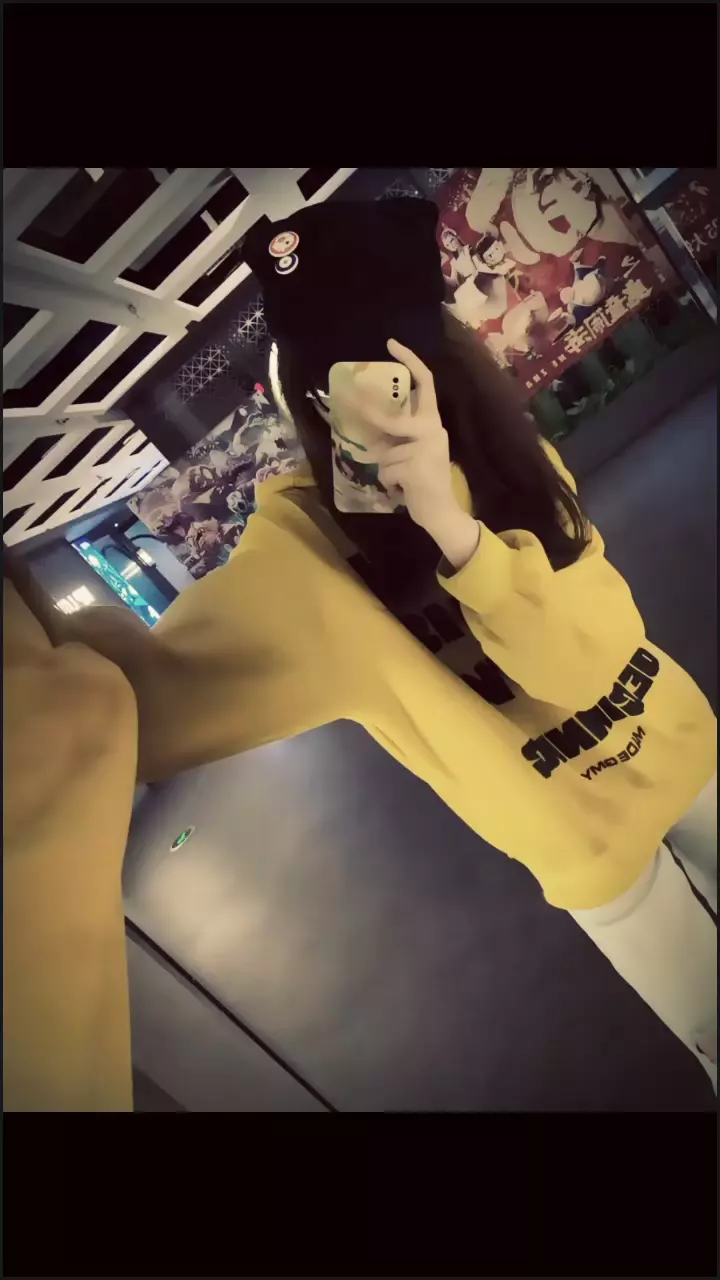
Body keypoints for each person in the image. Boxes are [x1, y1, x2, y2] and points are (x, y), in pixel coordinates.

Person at [4, 198, 716, 1109]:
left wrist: (454, 529)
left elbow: (586, 667)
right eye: (337, 381)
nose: (377, 398)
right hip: (596, 852)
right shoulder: (298, 558)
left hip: (683, 755)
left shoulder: (508, 455)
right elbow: (113, 712)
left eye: (394, 364)